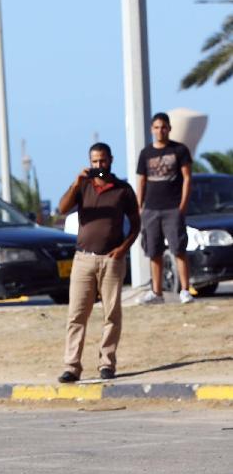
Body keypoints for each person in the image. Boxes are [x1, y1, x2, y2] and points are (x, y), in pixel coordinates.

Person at [57, 143, 141, 383]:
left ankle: (107, 363)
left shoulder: (123, 189)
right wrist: (76, 183)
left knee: (111, 314)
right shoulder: (83, 187)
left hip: (111, 260)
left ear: (111, 160)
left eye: (102, 161)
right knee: (76, 315)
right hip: (83, 259)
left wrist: (122, 249)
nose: (98, 166)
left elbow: (136, 225)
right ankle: (71, 366)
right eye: (94, 162)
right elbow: (62, 208)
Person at [136, 112, 194, 304]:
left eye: (163, 127)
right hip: (151, 209)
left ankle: (185, 290)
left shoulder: (179, 150)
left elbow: (187, 178)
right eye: (157, 127)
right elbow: (142, 181)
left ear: (169, 128)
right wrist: (139, 206)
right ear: (152, 129)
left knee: (178, 249)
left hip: (172, 208)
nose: (160, 130)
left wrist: (182, 206)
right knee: (154, 251)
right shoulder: (146, 153)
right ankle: (156, 292)